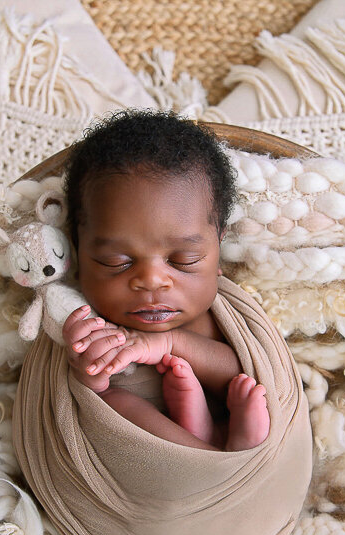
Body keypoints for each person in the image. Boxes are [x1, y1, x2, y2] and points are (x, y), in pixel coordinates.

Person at [60, 110, 269, 451]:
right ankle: (204, 450)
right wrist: (90, 371)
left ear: (218, 249)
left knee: (248, 393)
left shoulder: (208, 319)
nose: (152, 281)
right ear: (77, 252)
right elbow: (78, 409)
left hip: (242, 463)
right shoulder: (89, 321)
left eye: (184, 260)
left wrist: (170, 344)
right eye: (117, 261)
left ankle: (212, 441)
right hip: (146, 472)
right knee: (112, 402)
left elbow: (245, 372)